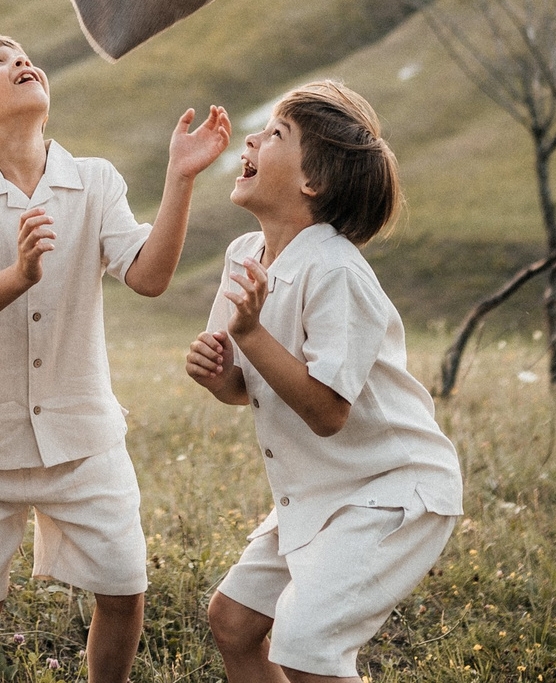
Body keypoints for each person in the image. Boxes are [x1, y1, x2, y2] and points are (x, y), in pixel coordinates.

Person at [0, 35, 232, 683]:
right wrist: (20, 274)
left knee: (123, 592)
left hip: (86, 441)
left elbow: (148, 276)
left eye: (23, 53)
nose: (21, 60)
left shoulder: (94, 181)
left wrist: (179, 178)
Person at [186, 82, 462, 683]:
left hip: (390, 490)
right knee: (234, 623)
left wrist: (253, 336)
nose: (252, 139)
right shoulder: (245, 255)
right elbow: (249, 387)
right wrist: (220, 378)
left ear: (313, 183)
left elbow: (328, 412)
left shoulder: (336, 271)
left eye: (276, 134)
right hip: (319, 493)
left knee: (305, 645)